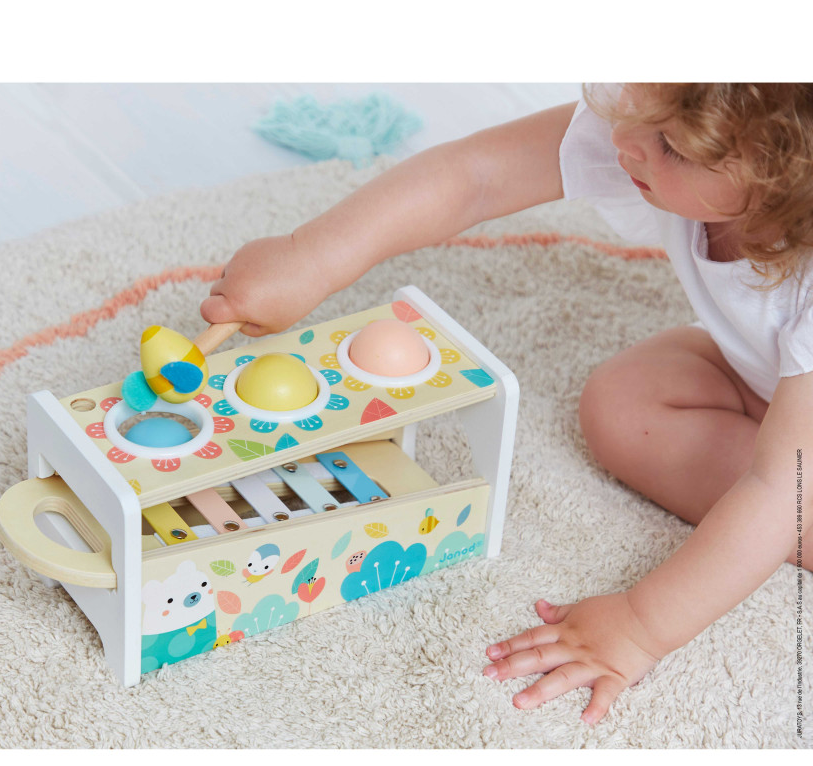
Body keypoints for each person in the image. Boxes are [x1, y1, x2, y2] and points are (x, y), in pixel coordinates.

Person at [200, 84, 813, 724]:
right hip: (774, 383)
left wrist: (639, 626)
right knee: (624, 405)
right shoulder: (658, 131)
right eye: (630, 105)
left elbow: (780, 488)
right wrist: (310, 255)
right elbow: (476, 175)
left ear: (783, 173)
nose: (622, 139)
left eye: (671, 145)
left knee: (777, 498)